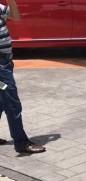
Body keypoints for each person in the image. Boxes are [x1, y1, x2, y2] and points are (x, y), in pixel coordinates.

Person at [0, 0, 45, 154]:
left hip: (5, 62)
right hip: (0, 69)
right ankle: (21, 143)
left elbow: (15, 16)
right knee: (12, 102)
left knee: (1, 101)